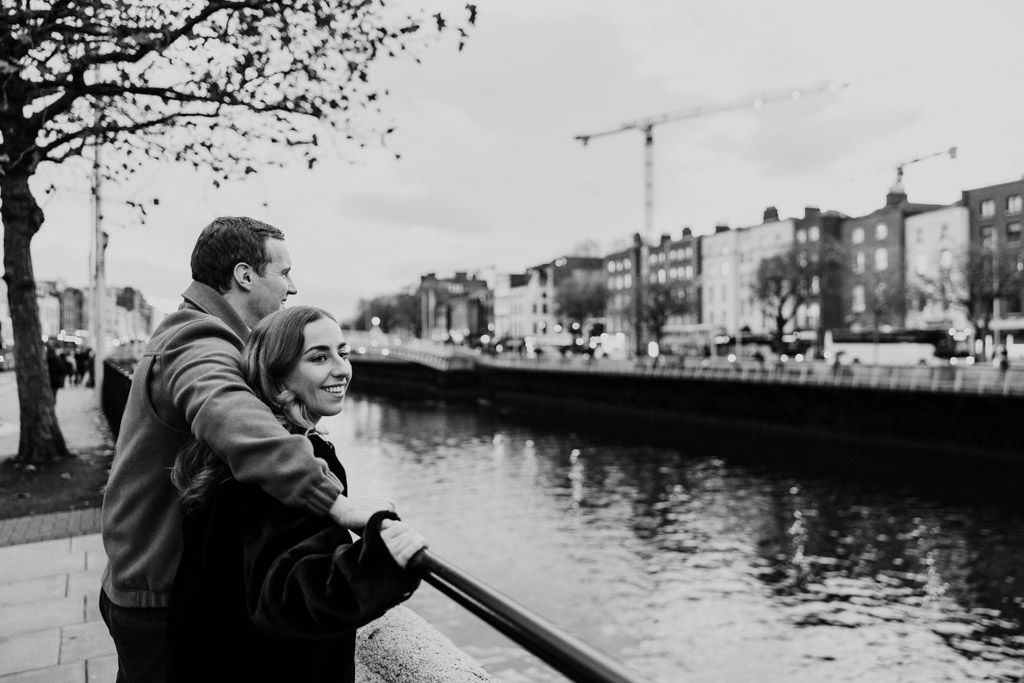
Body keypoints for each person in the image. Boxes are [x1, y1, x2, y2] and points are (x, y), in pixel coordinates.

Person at [100, 217, 391, 682]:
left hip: (150, 577)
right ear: (244, 275)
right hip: (160, 590)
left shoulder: (204, 333)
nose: (292, 287)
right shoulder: (196, 338)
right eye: (284, 272)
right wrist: (331, 498)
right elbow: (228, 413)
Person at [167, 306, 427, 682]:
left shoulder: (240, 454)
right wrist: (379, 564)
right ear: (278, 379)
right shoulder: (294, 464)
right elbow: (284, 595)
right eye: (319, 357)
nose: (341, 368)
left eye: (343, 352)